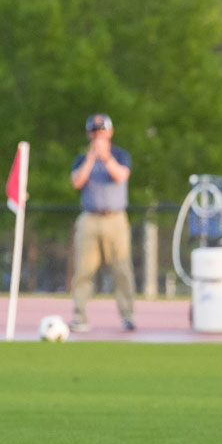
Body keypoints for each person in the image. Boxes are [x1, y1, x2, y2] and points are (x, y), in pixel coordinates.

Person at [69, 113, 135, 332]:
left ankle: (127, 315)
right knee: (84, 270)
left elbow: (121, 176)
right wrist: (91, 158)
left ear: (110, 132)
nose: (99, 135)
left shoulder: (120, 155)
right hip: (90, 218)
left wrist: (105, 158)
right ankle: (80, 316)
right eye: (95, 131)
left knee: (122, 270)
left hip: (115, 218)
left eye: (102, 130)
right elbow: (77, 181)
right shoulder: (81, 158)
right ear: (89, 134)